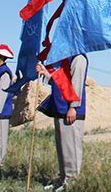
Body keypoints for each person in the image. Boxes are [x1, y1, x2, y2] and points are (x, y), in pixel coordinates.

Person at [36, 53, 89, 191]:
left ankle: (72, 181)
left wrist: (73, 106)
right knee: (62, 147)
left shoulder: (79, 58)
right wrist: (44, 73)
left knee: (71, 146)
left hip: (70, 110)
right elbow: (59, 80)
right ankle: (63, 177)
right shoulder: (65, 59)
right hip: (60, 108)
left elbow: (76, 83)